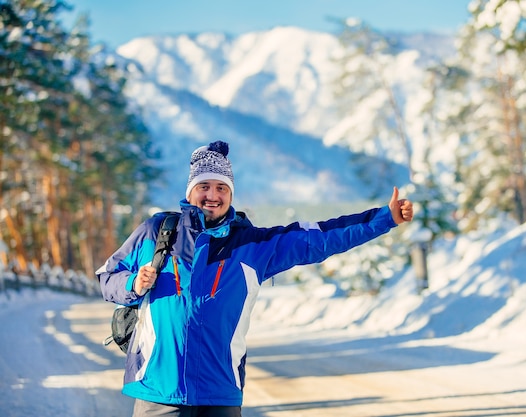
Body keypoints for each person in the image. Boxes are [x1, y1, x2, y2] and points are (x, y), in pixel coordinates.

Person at [97, 140, 414, 417]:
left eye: (222, 188)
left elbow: (320, 237)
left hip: (220, 394)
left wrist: (383, 219)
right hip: (158, 393)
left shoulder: (252, 245)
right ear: (190, 191)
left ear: (231, 195)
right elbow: (108, 277)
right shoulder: (156, 231)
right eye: (204, 186)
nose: (213, 195)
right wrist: (133, 285)